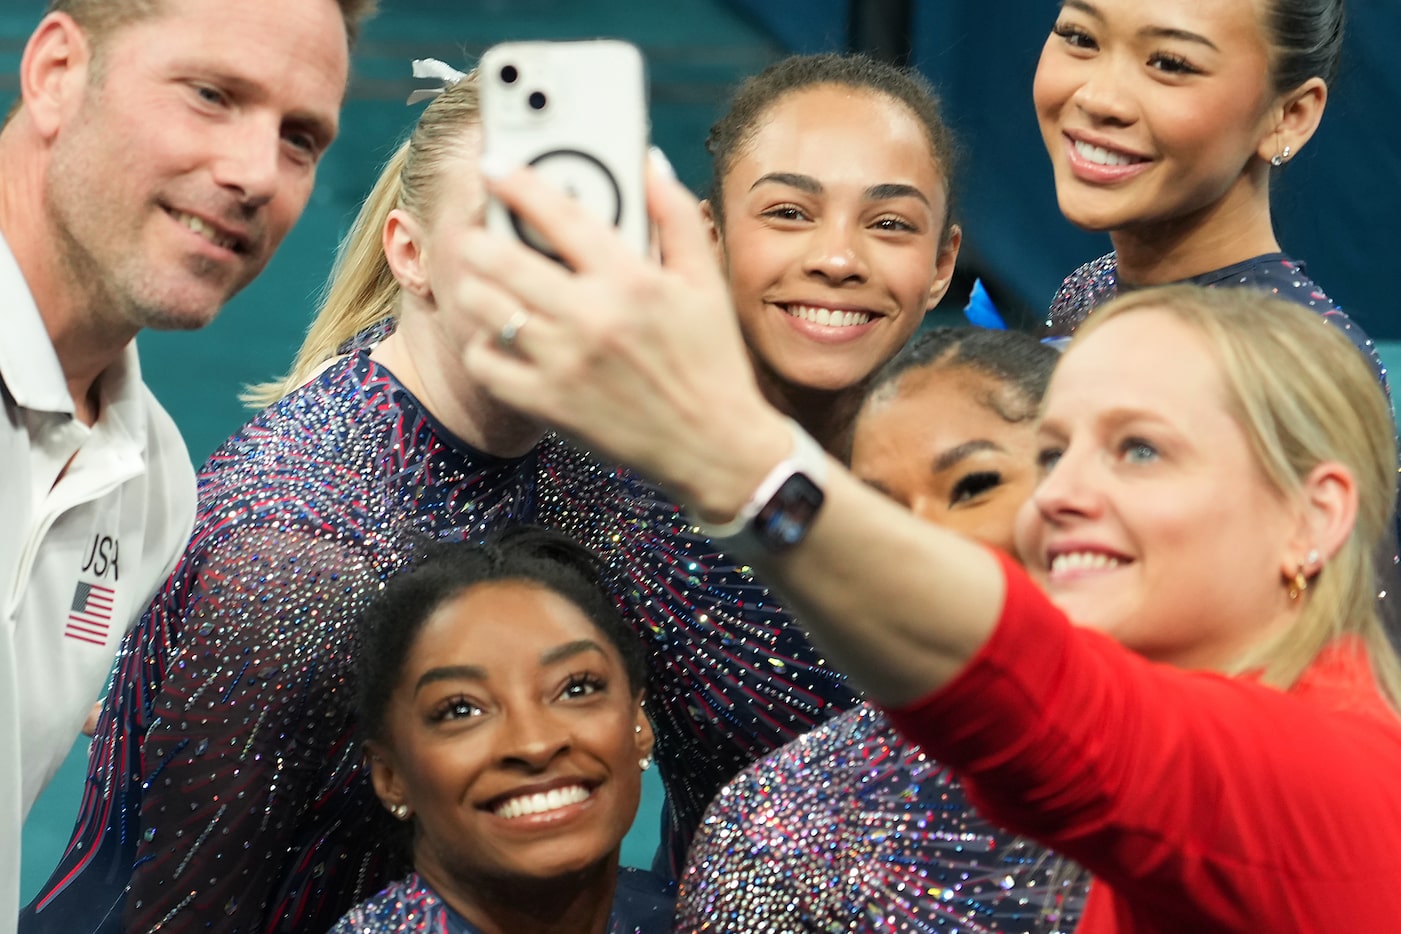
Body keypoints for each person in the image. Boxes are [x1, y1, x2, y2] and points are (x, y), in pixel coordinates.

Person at [448, 139, 1401, 928]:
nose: (1061, 496)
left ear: (1314, 517)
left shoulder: (1318, 776)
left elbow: (1026, 688)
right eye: (1057, 450)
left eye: (1140, 452)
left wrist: (729, 453)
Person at [23, 60, 871, 932]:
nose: (559, 278)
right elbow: (176, 915)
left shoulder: (596, 458)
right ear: (410, 253)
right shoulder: (298, 559)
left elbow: (798, 710)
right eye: (510, 235)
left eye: (590, 236)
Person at [0, 0, 367, 927]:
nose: (255, 175)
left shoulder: (156, 484)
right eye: (211, 94)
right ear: (54, 73)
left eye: (300, 137)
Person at [676, 328, 1087, 933]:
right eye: (880, 510)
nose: (920, 540)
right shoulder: (781, 828)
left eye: (973, 487)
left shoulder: (1220, 742)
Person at [328, 527, 672, 934]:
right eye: (461, 710)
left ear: (639, 726)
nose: (534, 743)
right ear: (390, 777)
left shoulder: (682, 916)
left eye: (577, 688)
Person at [1034, 0, 1386, 392]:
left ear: (1289, 116)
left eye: (1170, 63)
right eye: (1080, 38)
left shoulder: (1298, 366)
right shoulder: (1087, 289)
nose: (1099, 99)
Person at [699, 53, 962, 458]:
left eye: (889, 224)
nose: (838, 262)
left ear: (942, 267)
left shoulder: (1004, 483)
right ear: (712, 239)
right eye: (789, 214)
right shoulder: (585, 460)